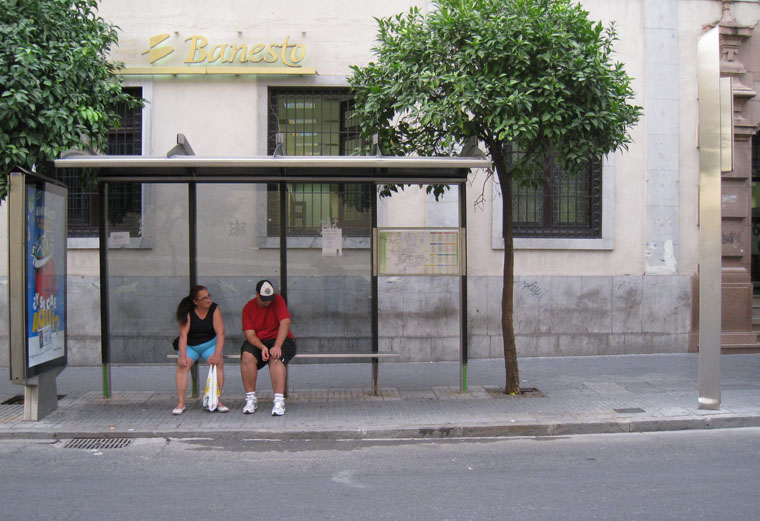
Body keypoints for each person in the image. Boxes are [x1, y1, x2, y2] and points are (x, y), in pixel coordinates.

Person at [240, 280, 296, 416]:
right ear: (256, 295)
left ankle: (278, 400)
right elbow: (249, 334)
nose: (267, 302)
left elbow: (285, 322)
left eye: (269, 299)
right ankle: (251, 398)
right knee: (247, 356)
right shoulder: (248, 308)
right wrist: (262, 347)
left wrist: (277, 346)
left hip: (280, 339)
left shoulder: (278, 300)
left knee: (276, 357)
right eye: (264, 299)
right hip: (258, 341)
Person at [172, 285, 228, 414]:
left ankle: (217, 400)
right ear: (195, 302)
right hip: (191, 346)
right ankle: (181, 403)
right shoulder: (187, 311)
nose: (208, 300)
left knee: (218, 363)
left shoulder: (214, 309)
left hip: (209, 345)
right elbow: (183, 335)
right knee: (182, 366)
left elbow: (220, 333)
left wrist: (217, 354)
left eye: (208, 296)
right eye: (204, 298)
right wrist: (182, 356)